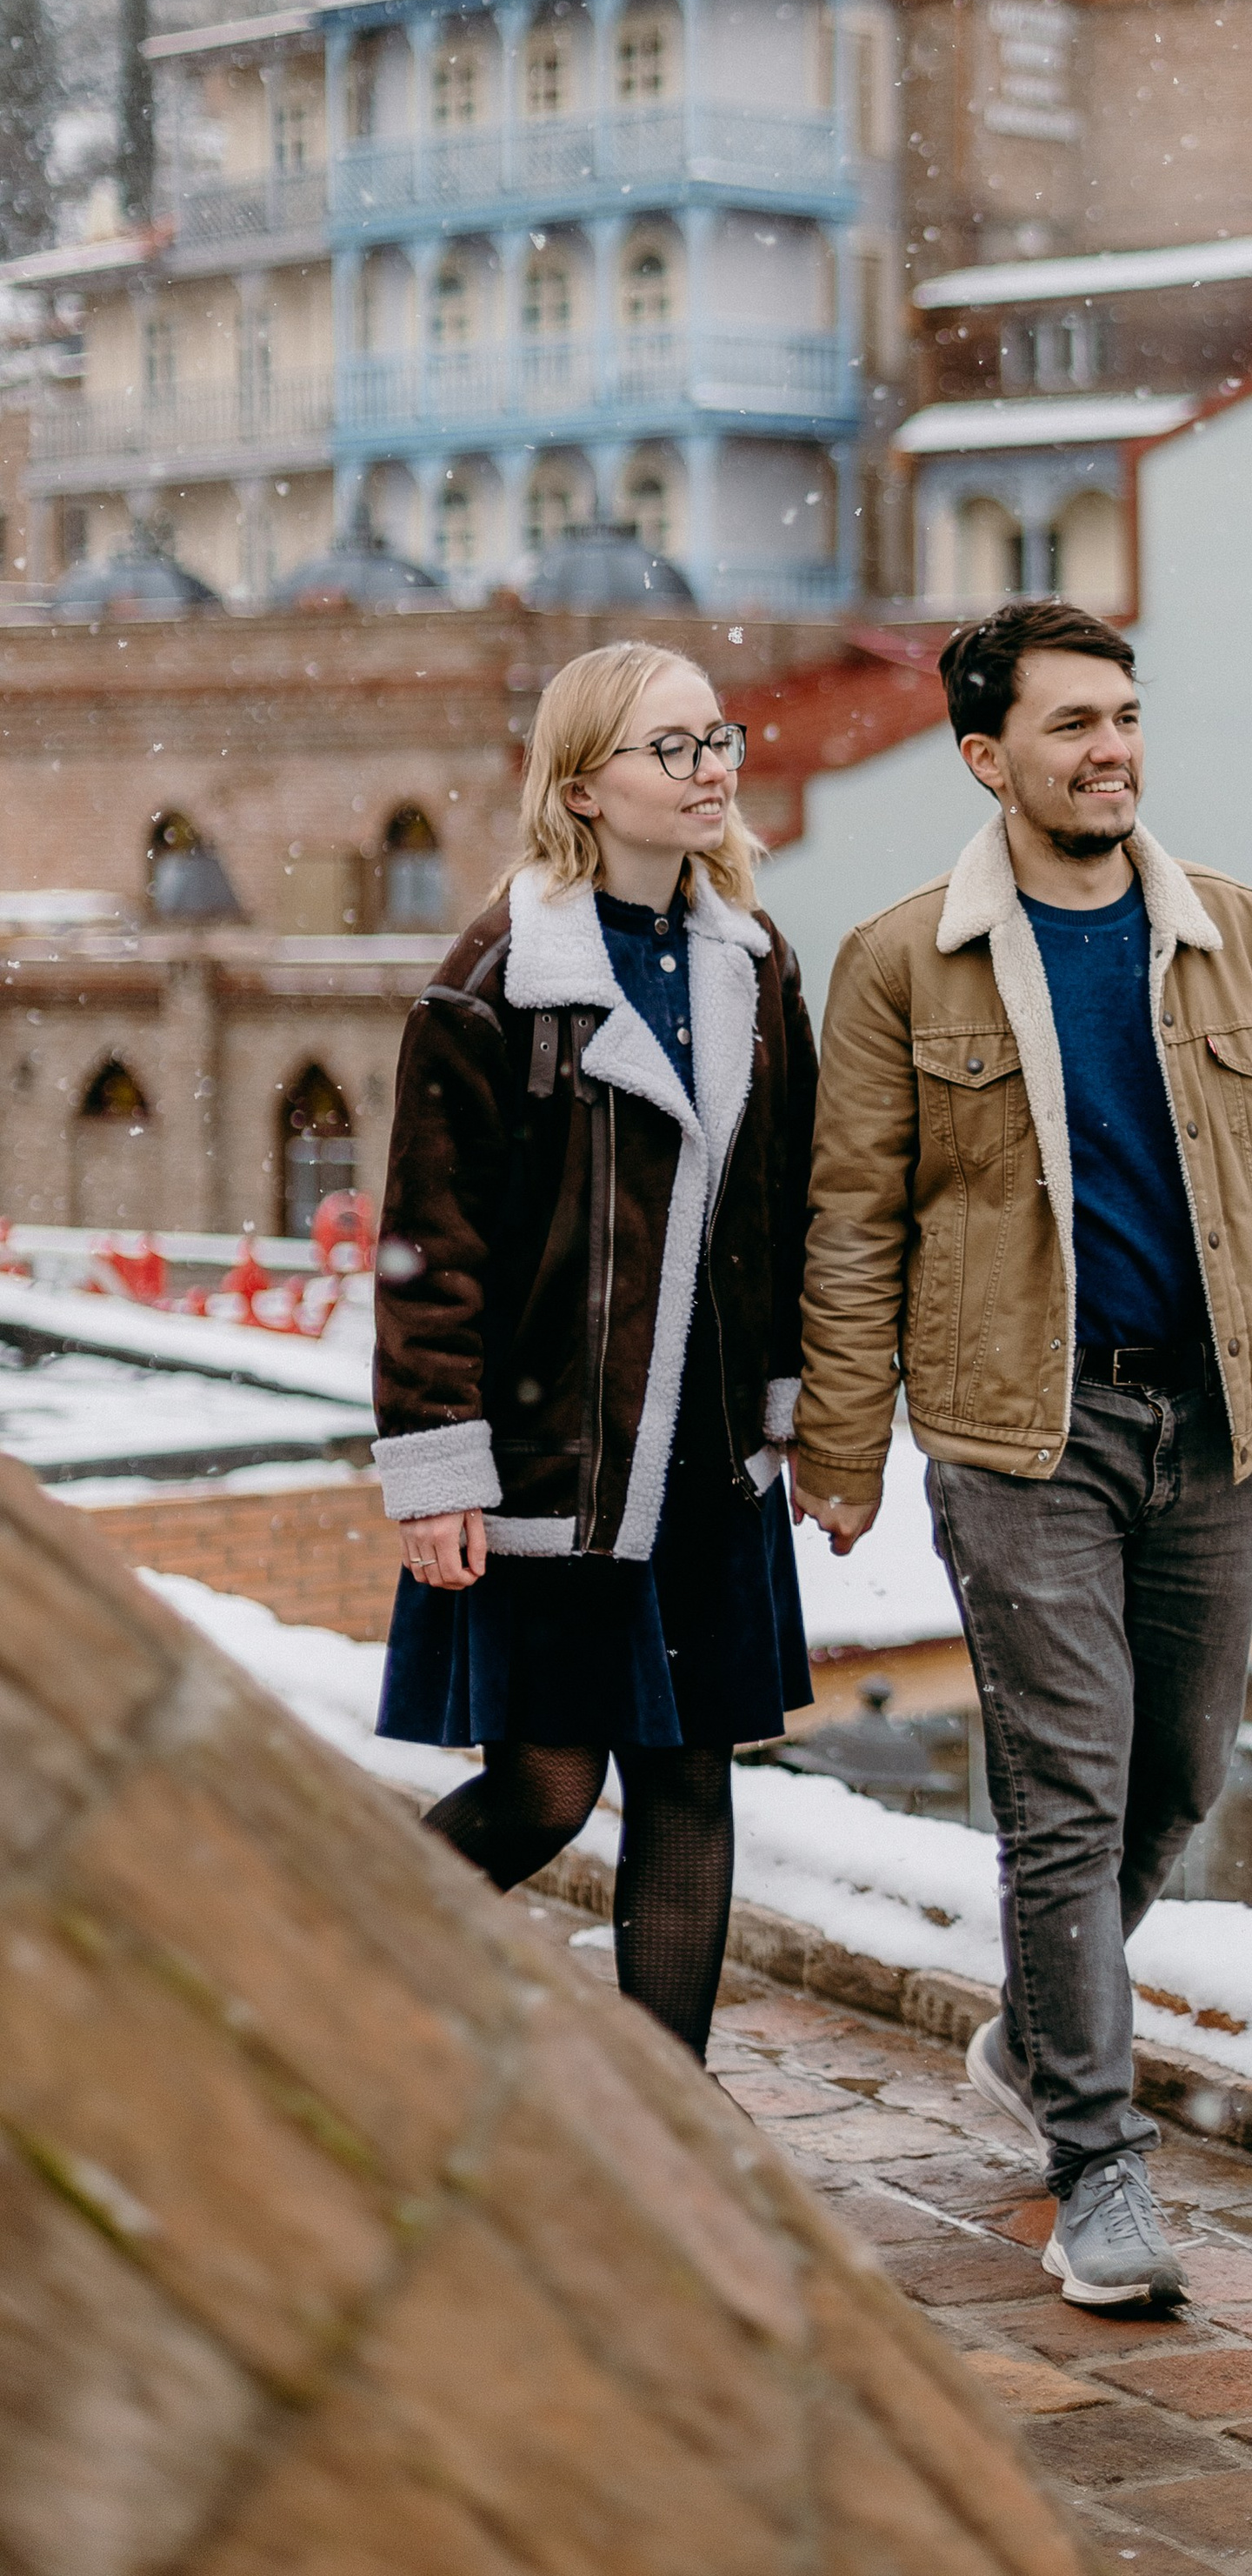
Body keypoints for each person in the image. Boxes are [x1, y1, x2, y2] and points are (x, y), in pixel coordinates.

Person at [793, 598, 1252, 2304]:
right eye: (1069, 724)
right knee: (1062, 1795)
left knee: (1180, 1774)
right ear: (986, 756)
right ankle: (1097, 2159)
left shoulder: (1238, 937)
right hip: (1014, 1434)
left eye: (1122, 715)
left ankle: (1036, 2030)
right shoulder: (901, 959)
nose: (1109, 748)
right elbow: (850, 1223)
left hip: (1203, 1424)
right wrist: (839, 1448)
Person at [370, 639, 816, 2059]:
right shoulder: (497, 981)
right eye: (672, 747)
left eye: (718, 738)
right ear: (581, 785)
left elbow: (785, 1203)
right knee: (547, 1791)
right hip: (557, 1452)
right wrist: (438, 1469)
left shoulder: (752, 961)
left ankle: (674, 2114)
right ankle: (338, 1963)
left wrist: (803, 1407)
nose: (713, 768)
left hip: (706, 1456)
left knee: (689, 1782)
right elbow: (432, 1249)